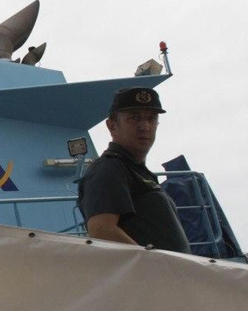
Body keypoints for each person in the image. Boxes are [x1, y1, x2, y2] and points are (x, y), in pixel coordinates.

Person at [78, 87, 190, 253]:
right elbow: (101, 230)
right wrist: (157, 266)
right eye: (135, 118)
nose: (145, 126)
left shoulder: (137, 172)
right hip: (153, 276)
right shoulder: (109, 168)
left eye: (151, 119)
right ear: (112, 126)